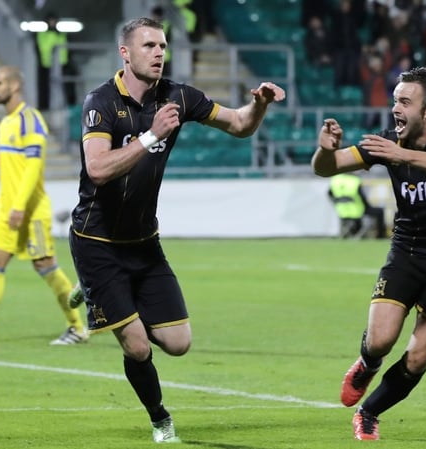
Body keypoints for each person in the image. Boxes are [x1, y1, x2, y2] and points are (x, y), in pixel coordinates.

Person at [67, 17, 285, 443]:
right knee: (137, 345)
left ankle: (101, 295)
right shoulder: (101, 102)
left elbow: (240, 125)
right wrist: (151, 136)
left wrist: (259, 102)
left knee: (179, 343)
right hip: (97, 241)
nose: (158, 52)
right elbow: (97, 168)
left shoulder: (179, 97)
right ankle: (160, 418)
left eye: (163, 45)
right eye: (148, 45)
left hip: (144, 243)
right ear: (125, 53)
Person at [311, 66, 426, 440]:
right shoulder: (389, 143)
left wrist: (401, 156)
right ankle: (367, 364)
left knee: (419, 357)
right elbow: (326, 169)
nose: (395, 109)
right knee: (380, 341)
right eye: (394, 101)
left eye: (405, 101)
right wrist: (325, 151)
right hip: (407, 254)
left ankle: (369, 412)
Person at [0, 66, 88, 346]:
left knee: (46, 267)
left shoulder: (29, 120)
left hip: (30, 211)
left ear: (15, 86)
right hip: (6, 209)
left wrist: (20, 206)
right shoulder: (6, 123)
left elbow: (33, 167)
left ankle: (78, 327)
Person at [327, 172, 387, 239]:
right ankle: (380, 236)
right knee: (380, 211)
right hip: (357, 211)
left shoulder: (336, 179)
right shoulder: (354, 180)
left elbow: (329, 194)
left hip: (342, 211)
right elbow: (362, 198)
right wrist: (367, 206)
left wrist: (338, 202)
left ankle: (349, 232)